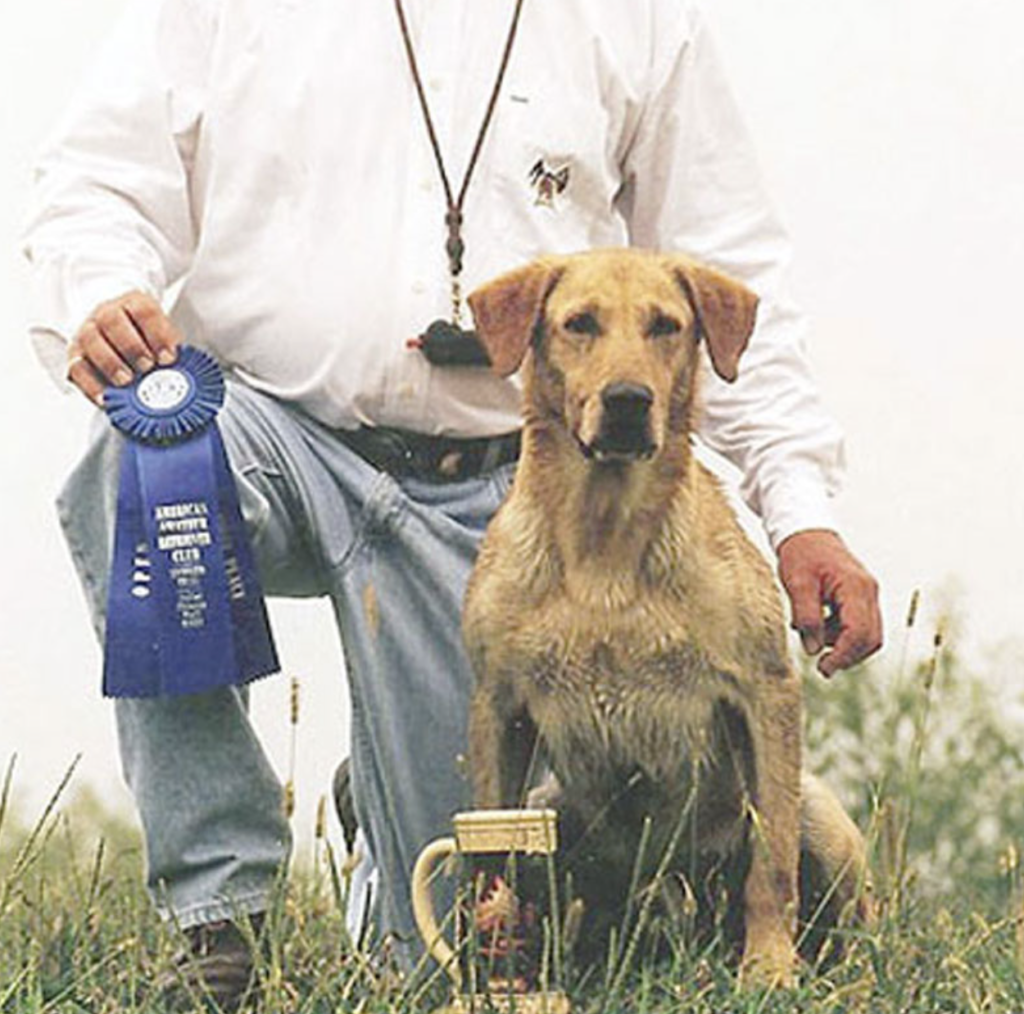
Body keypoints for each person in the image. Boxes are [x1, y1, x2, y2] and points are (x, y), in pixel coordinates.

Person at [24, 0, 882, 1005]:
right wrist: (105, 289)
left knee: (449, 964)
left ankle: (381, 804)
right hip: (276, 430)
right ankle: (222, 916)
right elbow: (96, 180)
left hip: (503, 498)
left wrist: (800, 508)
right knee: (146, 469)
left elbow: (726, 261)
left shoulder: (638, 17)